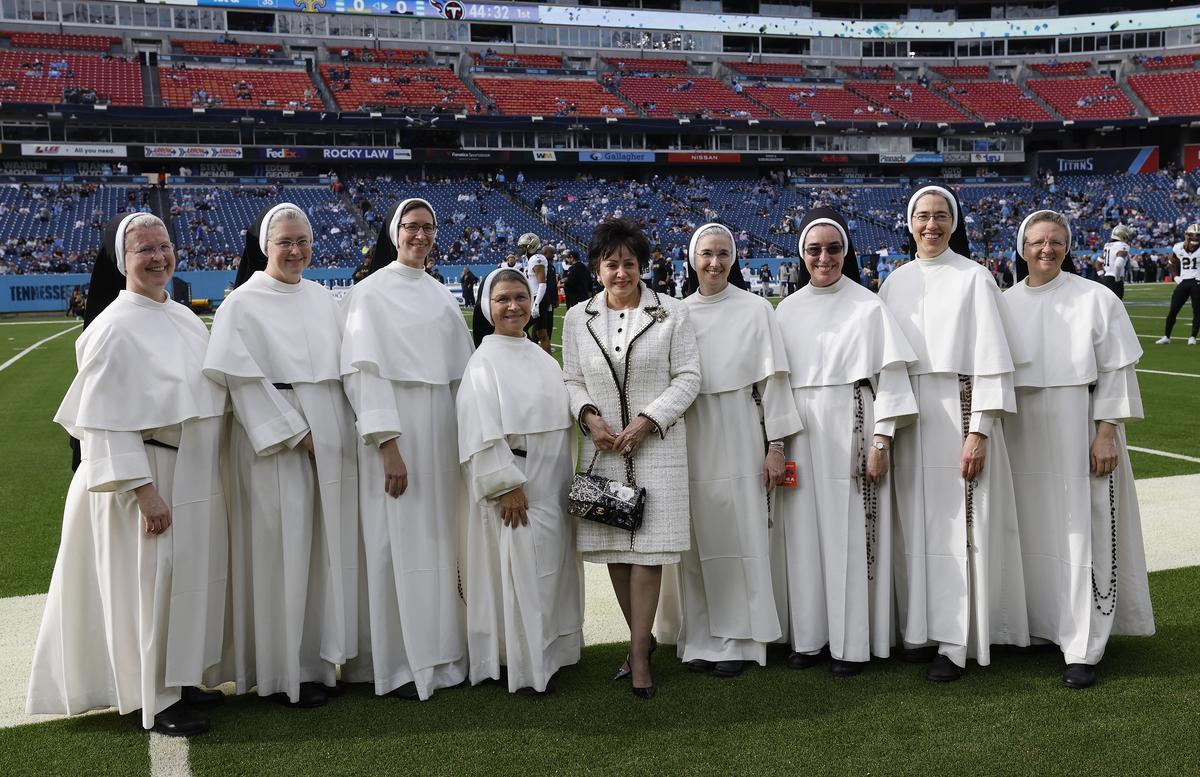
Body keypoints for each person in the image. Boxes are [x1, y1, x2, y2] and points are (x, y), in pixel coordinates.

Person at [28, 213, 228, 736]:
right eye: (144, 249)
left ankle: (179, 678)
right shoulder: (111, 328)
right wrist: (144, 492)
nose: (158, 256)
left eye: (164, 246)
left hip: (184, 469)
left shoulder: (184, 316)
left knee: (180, 583)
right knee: (144, 587)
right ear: (123, 261)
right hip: (141, 478)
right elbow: (103, 422)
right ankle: (153, 698)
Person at [203, 203, 359, 709]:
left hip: (328, 435)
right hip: (275, 443)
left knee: (320, 550)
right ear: (265, 247)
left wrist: (335, 431)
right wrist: (298, 433)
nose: (295, 251)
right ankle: (276, 672)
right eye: (284, 243)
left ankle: (313, 664)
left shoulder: (321, 298)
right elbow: (241, 381)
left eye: (303, 241)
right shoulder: (242, 304)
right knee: (279, 551)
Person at [877, 185, 1029, 682]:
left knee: (960, 529)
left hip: (959, 411)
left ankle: (956, 639)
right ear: (909, 222)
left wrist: (979, 430)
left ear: (954, 222)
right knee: (914, 524)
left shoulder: (974, 278)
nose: (931, 225)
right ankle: (919, 627)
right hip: (909, 415)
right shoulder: (893, 283)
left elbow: (991, 361)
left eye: (941, 216)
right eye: (922, 216)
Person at [1002, 210, 1155, 689]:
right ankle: (1040, 626)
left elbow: (1116, 371)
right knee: (1032, 533)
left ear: (1069, 247)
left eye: (1055, 242)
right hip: (1022, 433)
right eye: (1037, 241)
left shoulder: (1096, 297)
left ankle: (1082, 644)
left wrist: (1106, 431)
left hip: (1081, 428)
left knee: (1083, 534)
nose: (1046, 250)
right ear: (1021, 247)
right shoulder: (1003, 303)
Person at [340, 198, 474, 700]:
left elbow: (461, 377)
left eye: (428, 227)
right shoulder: (369, 293)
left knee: (439, 541)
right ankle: (395, 663)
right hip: (395, 434)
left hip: (439, 428)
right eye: (411, 227)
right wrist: (388, 446)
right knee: (392, 542)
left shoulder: (440, 294)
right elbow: (362, 374)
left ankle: (440, 654)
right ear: (395, 232)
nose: (420, 235)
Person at [774, 208, 918, 676]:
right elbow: (776, 385)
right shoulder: (787, 310)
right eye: (814, 249)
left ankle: (852, 642)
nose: (824, 258)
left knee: (852, 534)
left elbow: (892, 378)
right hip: (800, 431)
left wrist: (882, 441)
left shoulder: (868, 305)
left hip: (854, 423)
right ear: (801, 254)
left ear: (846, 252)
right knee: (803, 535)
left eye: (833, 248)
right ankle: (810, 637)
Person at [561, 217, 701, 699]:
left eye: (629, 264)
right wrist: (589, 416)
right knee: (618, 557)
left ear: (643, 266)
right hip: (602, 453)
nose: (621, 273)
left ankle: (639, 654)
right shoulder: (579, 316)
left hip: (658, 448)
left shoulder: (672, 312)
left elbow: (688, 377)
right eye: (611, 264)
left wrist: (647, 420)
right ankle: (638, 641)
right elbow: (572, 379)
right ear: (597, 268)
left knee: (650, 556)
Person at [663, 223, 800, 678]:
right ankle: (701, 638)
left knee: (743, 536)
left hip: (742, 430)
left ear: (734, 257)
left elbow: (774, 383)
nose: (715, 262)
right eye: (706, 254)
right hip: (692, 434)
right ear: (692, 258)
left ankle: (742, 642)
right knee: (699, 539)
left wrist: (775, 446)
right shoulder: (675, 314)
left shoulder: (757, 309)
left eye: (723, 253)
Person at [458, 269, 584, 695]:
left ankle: (555, 652)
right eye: (502, 300)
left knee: (553, 571)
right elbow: (481, 431)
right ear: (486, 307)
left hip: (553, 481)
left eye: (520, 297)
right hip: (519, 485)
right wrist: (506, 485)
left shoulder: (544, 357)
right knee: (522, 573)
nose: (513, 307)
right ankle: (525, 664)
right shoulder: (483, 361)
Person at [1155, 222, 1200, 346]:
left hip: (1198, 282)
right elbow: (1171, 261)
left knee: (1197, 311)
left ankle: (1192, 337)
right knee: (1173, 309)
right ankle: (1166, 336)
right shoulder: (1178, 247)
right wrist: (1175, 277)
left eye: (1198, 235)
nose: (1195, 237)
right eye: (1193, 235)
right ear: (1187, 235)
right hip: (1184, 281)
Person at [518, 232, 553, 354]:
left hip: (538, 298)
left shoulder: (537, 259)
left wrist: (536, 303)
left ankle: (534, 355)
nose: (521, 250)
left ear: (531, 246)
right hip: (536, 298)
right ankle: (545, 361)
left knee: (521, 329)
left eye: (523, 247)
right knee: (542, 334)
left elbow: (542, 284)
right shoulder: (530, 260)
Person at [1100, 225, 1134, 300]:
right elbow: (1118, 264)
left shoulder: (1107, 245)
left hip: (1106, 279)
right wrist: (1117, 278)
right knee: (1116, 309)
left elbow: (1098, 263)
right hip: (1115, 279)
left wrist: (1102, 277)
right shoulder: (1123, 245)